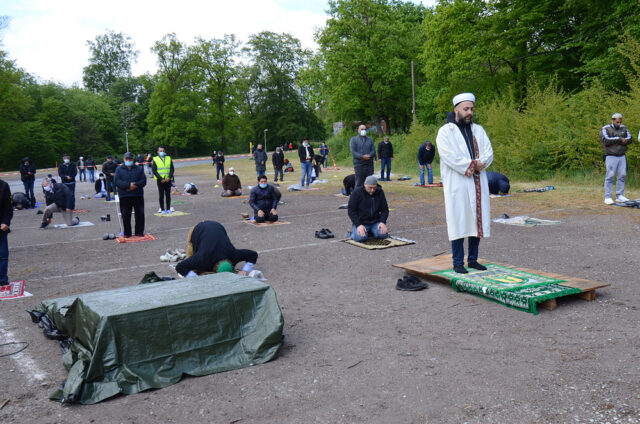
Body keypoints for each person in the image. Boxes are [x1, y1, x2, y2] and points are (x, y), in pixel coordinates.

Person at [436, 93, 493, 274]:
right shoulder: (446, 131)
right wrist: (472, 165)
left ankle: (473, 260)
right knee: (459, 220)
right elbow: (449, 156)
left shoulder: (479, 130)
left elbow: (488, 152)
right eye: (466, 109)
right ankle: (458, 262)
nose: (469, 112)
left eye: (471, 109)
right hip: (458, 183)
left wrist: (481, 163)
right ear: (456, 110)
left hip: (477, 182)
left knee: (477, 220)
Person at [175, 221, 258, 277]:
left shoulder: (233, 255)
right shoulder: (202, 259)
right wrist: (195, 278)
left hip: (218, 227)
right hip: (198, 229)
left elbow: (253, 255)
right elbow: (180, 267)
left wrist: (245, 270)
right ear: (215, 269)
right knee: (193, 265)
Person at [601, 113, 632, 204]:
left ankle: (620, 195)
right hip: (611, 156)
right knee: (610, 176)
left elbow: (630, 139)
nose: (619, 124)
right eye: (617, 122)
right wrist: (619, 139)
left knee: (622, 175)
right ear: (612, 120)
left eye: (620, 122)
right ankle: (607, 197)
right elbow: (606, 140)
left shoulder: (624, 128)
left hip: (622, 155)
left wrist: (621, 141)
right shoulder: (605, 129)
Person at [114, 152, 147, 237]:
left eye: (130, 159)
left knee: (140, 214)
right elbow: (117, 181)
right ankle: (127, 233)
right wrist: (128, 185)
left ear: (133, 159)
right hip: (124, 195)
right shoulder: (119, 169)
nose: (129, 160)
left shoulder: (139, 169)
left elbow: (143, 181)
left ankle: (139, 232)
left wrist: (134, 186)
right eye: (127, 159)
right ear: (124, 159)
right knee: (125, 215)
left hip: (137, 194)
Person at [347, 175, 389, 242]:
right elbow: (351, 211)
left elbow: (385, 209)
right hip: (361, 222)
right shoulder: (356, 193)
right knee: (360, 238)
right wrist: (358, 225)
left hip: (375, 222)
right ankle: (353, 233)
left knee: (383, 235)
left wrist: (382, 222)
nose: (372, 190)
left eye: (374, 188)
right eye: (370, 188)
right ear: (365, 184)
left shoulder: (380, 192)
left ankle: (370, 232)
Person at [152, 146, 175, 215]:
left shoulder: (168, 158)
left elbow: (172, 169)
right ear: (158, 152)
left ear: (165, 152)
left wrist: (169, 177)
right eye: (160, 151)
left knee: (168, 195)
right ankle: (162, 209)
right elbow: (154, 170)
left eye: (163, 151)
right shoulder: (155, 159)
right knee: (161, 195)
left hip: (168, 180)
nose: (161, 152)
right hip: (160, 180)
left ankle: (168, 209)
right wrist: (161, 179)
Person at [0, 178, 12, 286]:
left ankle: (2, 279)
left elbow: (8, 207)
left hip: (1, 227)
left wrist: (6, 222)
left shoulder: (4, 185)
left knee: (3, 255)